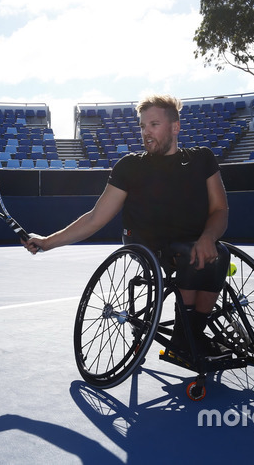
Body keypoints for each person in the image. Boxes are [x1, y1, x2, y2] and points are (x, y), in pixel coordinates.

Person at [25, 94, 229, 357]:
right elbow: (95, 217)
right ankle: (187, 337)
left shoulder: (202, 159)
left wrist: (209, 237)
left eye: (154, 124)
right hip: (147, 245)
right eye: (143, 126)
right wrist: (47, 242)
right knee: (192, 254)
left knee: (219, 254)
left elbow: (220, 209)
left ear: (175, 127)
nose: (146, 132)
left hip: (194, 241)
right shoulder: (130, 167)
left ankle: (191, 332)